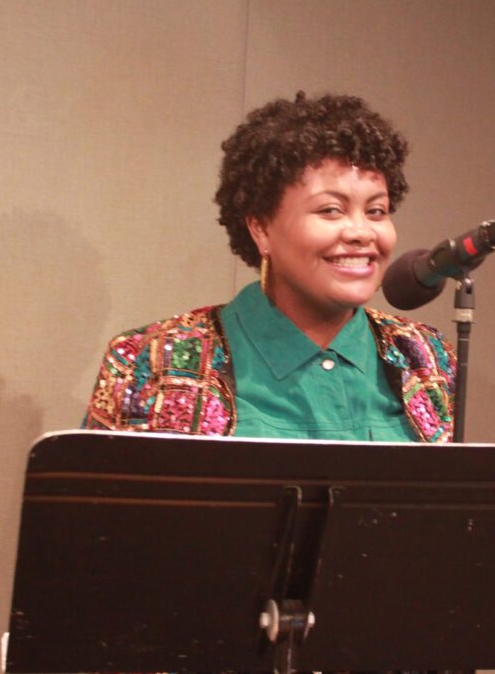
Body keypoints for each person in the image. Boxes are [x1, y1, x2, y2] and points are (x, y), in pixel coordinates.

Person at [83, 92, 455, 442]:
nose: (360, 232)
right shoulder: (152, 361)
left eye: (376, 211)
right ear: (261, 227)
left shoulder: (425, 358)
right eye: (331, 210)